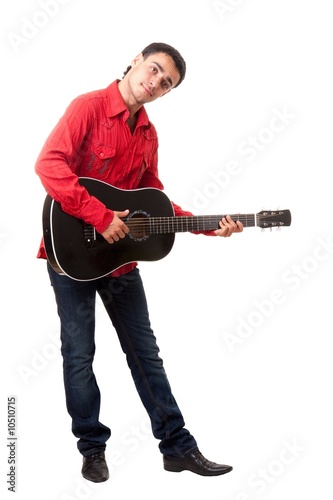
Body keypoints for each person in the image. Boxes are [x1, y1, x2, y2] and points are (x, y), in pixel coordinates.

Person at [35, 42, 243, 483]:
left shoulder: (148, 135)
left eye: (166, 83)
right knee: (79, 355)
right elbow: (49, 165)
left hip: (121, 264)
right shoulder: (88, 107)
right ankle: (92, 450)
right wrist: (100, 215)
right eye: (153, 70)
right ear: (134, 62)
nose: (155, 83)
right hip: (70, 256)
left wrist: (211, 225)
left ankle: (177, 448)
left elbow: (154, 204)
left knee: (146, 355)